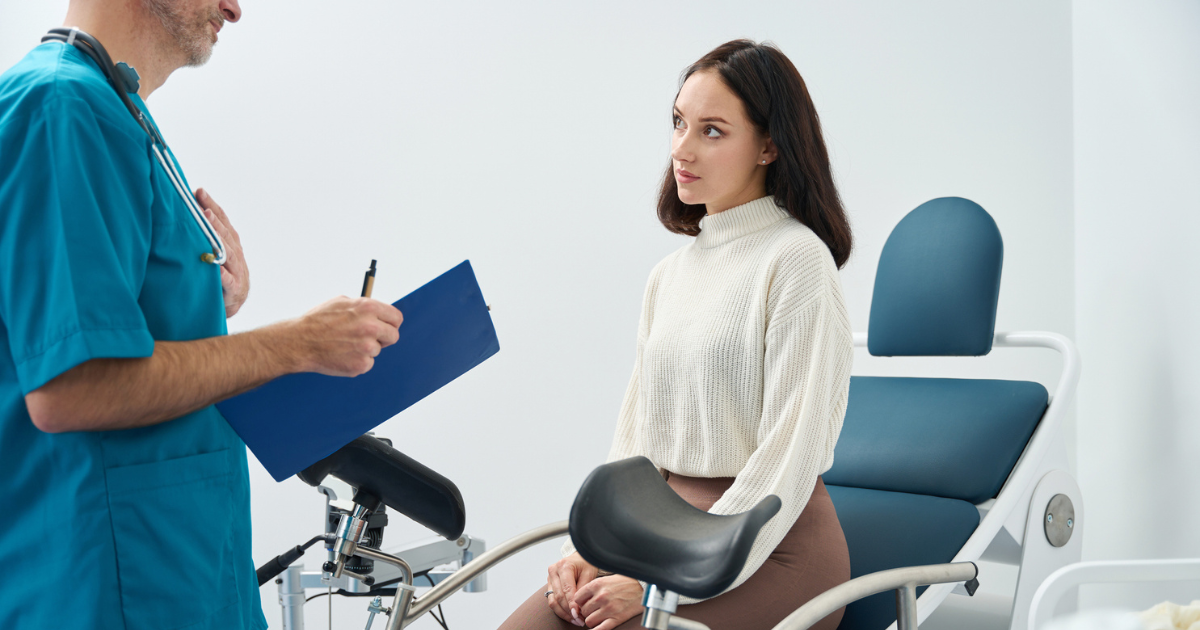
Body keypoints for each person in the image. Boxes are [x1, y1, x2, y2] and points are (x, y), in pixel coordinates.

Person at [0, 1, 403, 628]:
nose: (235, 8)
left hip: (183, 572)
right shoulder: (62, 107)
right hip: (111, 587)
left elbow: (111, 323)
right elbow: (71, 387)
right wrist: (295, 345)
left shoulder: (115, 108)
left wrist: (203, 299)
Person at [498, 40, 855, 630]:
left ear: (769, 145)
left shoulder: (796, 260)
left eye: (712, 131)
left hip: (769, 548)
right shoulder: (670, 275)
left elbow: (787, 457)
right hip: (659, 534)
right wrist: (586, 550)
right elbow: (637, 436)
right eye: (678, 122)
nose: (681, 149)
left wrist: (658, 585)